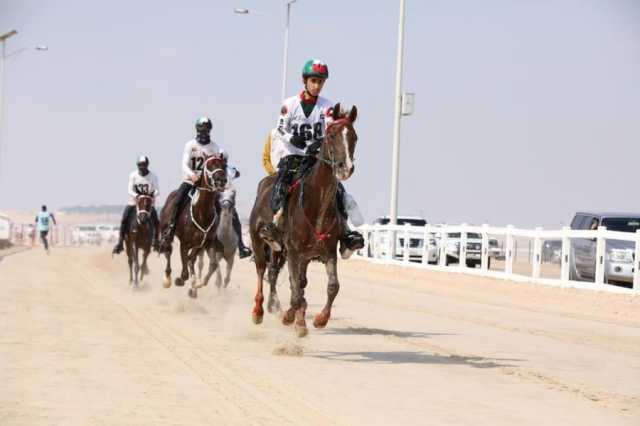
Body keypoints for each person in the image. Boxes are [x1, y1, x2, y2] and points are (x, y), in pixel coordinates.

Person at [262, 59, 363, 252]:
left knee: (337, 190)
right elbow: (280, 130)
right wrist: (294, 139)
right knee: (281, 184)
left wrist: (320, 142)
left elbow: (332, 131)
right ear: (305, 81)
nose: (317, 86)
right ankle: (274, 225)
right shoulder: (289, 104)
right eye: (314, 81)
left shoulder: (328, 107)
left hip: (315, 159)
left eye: (321, 82)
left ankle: (346, 233)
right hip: (292, 155)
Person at [159, 117, 252, 259]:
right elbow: (184, 164)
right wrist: (192, 175)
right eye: (201, 130)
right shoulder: (190, 145)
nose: (204, 133)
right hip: (191, 181)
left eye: (207, 130)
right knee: (177, 201)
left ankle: (241, 245)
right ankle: (169, 232)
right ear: (197, 130)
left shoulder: (214, 147)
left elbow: (221, 166)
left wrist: (232, 171)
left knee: (229, 210)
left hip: (208, 185)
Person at [112, 156, 160, 254]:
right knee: (124, 218)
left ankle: (156, 241)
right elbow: (129, 189)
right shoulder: (133, 175)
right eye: (140, 165)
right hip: (134, 202)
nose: (141, 167)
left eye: (143, 165)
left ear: (147, 165)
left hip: (147, 203)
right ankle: (120, 243)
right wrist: (137, 195)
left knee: (156, 220)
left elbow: (157, 190)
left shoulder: (153, 176)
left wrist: (151, 195)